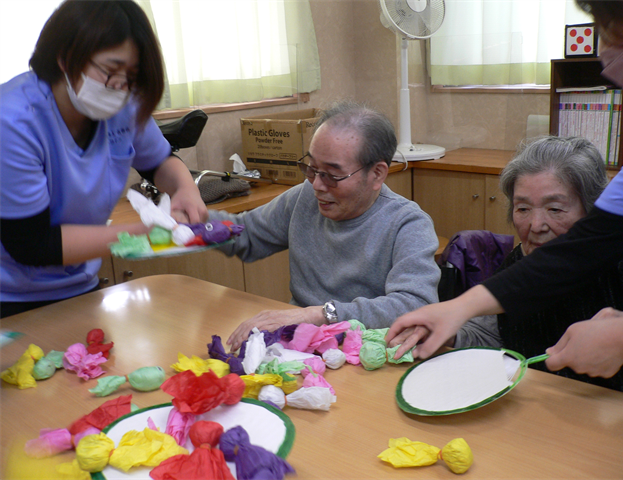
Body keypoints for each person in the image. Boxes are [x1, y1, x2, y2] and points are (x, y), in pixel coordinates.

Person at [386, 0, 623, 380]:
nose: (609, 59)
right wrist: (457, 310)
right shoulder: (529, 263)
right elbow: (578, 251)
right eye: (606, 36)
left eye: (622, 38)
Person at [0, 0, 208, 319]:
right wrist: (148, 233)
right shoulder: (13, 120)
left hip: (80, 288)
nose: (120, 87)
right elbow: (32, 244)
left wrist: (184, 187)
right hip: (11, 298)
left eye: (132, 76)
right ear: (66, 57)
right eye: (110, 71)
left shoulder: (123, 106)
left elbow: (159, 161)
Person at [213, 102, 441, 351]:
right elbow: (245, 234)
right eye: (312, 168)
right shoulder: (303, 197)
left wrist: (320, 315)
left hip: (365, 353)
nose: (317, 185)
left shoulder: (407, 223)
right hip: (300, 347)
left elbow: (414, 305)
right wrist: (190, 221)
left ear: (377, 174)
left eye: (332, 175)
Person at [450, 136, 623, 394]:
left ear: (596, 213)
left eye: (555, 209)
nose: (536, 226)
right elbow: (491, 337)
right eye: (523, 209)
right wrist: (448, 334)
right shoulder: (519, 264)